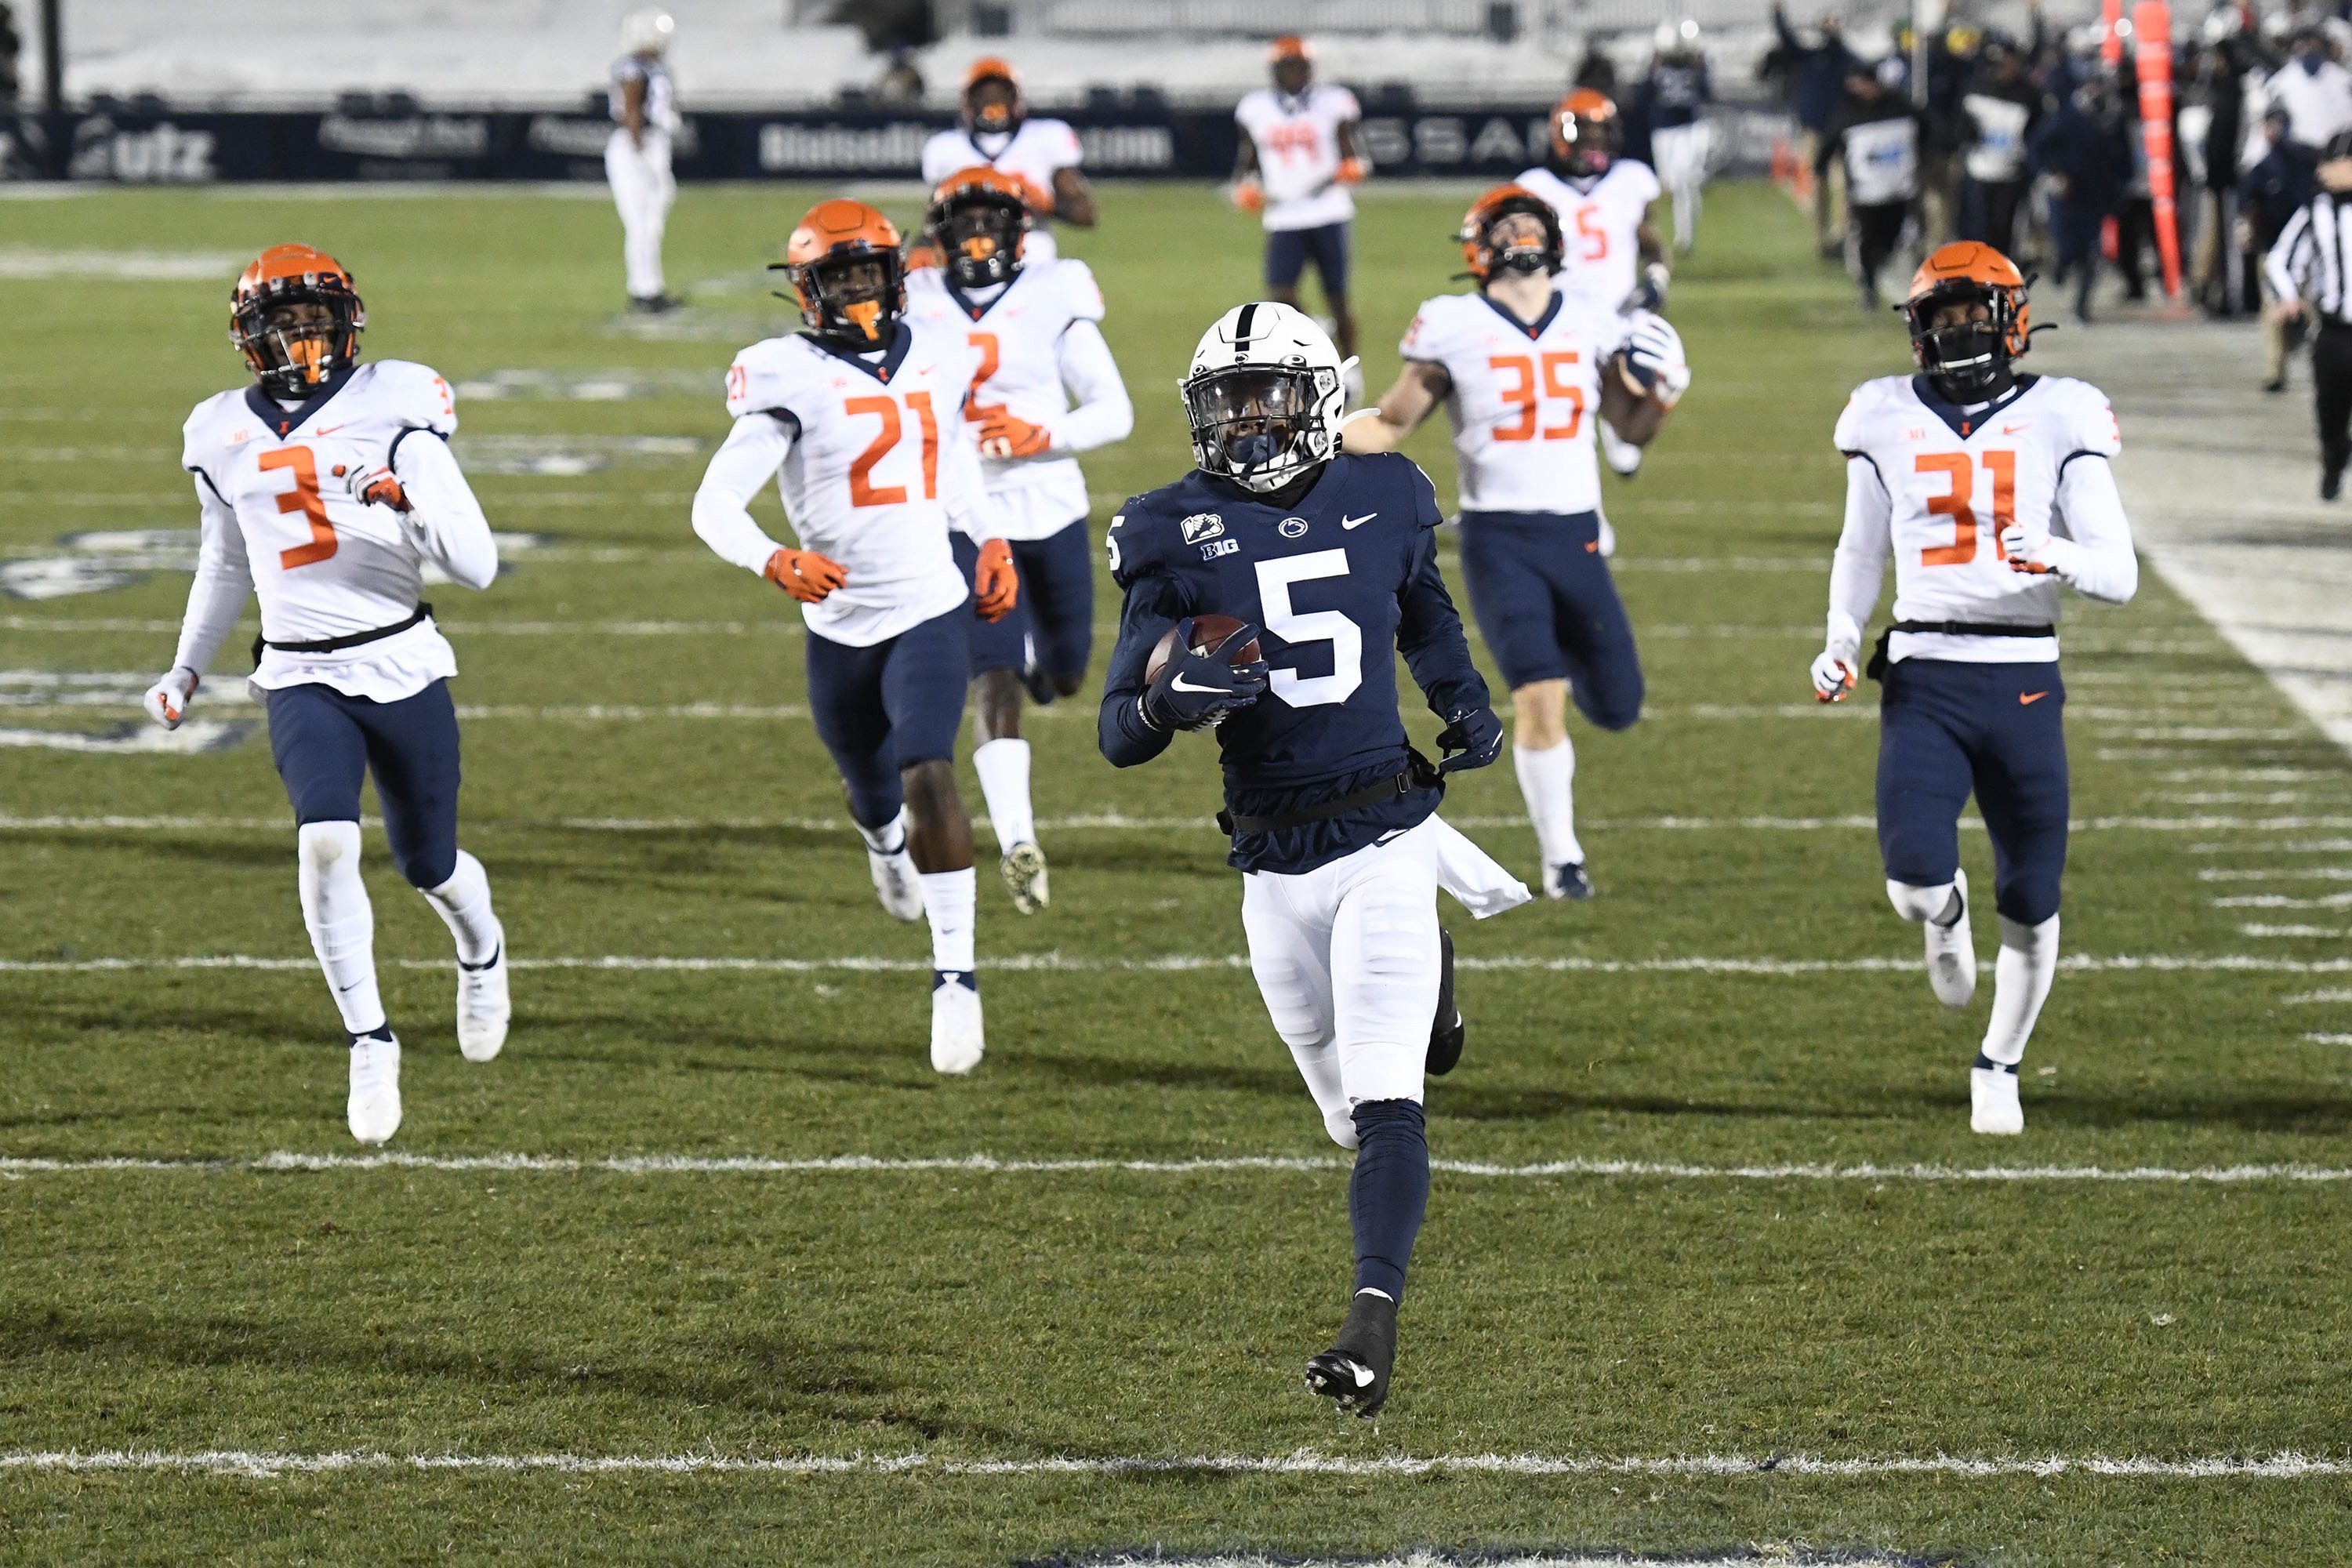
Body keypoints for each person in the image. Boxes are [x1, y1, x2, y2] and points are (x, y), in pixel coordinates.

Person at [1098, 300, 1526, 1417]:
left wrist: (1464, 701)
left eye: (1267, 396)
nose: (1245, 420)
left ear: (1319, 400)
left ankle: (1371, 1327)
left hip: (1385, 830)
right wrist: (1163, 701)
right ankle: (1438, 967)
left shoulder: (1386, 492)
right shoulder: (1167, 528)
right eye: (1226, 400)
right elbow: (1114, 730)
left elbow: (1423, 610)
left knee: (1388, 1108)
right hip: (1272, 865)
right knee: (1342, 1118)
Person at [143, 245, 510, 1146]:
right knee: (325, 842)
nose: (305, 336)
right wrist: (187, 664)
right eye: (287, 322)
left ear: (348, 322)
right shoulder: (217, 429)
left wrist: (403, 502)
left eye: (317, 318)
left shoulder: (398, 403)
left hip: (400, 660)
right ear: (250, 337)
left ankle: (481, 946)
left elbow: (480, 564)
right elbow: (226, 561)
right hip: (300, 669)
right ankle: (369, 1037)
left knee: (430, 862)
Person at [1811, 242, 2137, 1136]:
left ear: (2013, 319)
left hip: (2025, 671)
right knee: (1914, 881)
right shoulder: (1881, 414)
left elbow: (2120, 571)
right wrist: (1842, 637)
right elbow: (1861, 548)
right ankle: (1944, 915)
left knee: (2033, 894)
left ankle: (1999, 1062)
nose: (1959, 332)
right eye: (1942, 316)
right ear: (1918, 329)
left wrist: (2058, 554)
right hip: (1924, 669)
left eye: (1972, 313)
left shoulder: (2061, 413)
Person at [691, 200, 1019, 1073]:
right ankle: (881, 845)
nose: (856, 288)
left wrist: (987, 536)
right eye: (838, 275)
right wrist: (772, 559)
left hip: (927, 601)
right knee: (871, 789)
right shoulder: (782, 374)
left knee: (929, 766)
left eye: (867, 271)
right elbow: (714, 501)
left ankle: (956, 975)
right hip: (838, 618)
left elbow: (948, 457)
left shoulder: (938, 354)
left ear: (894, 275)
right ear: (806, 289)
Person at [1344, 187, 1690, 901]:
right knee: (1538, 698)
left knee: (1619, 704)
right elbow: (1393, 422)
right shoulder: (1453, 323)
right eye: (1508, 225)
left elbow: (1629, 427)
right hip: (1499, 538)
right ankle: (1562, 857)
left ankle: (1565, 833)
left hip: (1578, 534)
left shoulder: (1592, 315)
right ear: (1479, 245)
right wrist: (1317, 434)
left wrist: (1663, 395)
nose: (1523, 233)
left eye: (1534, 223)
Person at [905, 167, 1134, 911]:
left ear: (1019, 230)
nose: (977, 239)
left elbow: (1115, 412)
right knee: (992, 677)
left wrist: (1044, 434)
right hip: (965, 515)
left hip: (1051, 504)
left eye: (990, 222)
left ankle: (1040, 657)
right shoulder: (913, 300)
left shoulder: (1055, 290)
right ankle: (1017, 840)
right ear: (938, 236)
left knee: (1067, 673)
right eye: (961, 224)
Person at [1512, 89, 1670, 477]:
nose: (1593, 144)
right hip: (1560, 316)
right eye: (1585, 134)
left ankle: (1616, 433)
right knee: (1560, 418)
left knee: (1630, 404)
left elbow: (1651, 240)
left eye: (1600, 133)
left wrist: (1657, 277)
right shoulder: (1534, 187)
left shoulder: (1631, 179)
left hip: (1621, 312)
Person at [1232, 35, 1368, 384]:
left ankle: (1351, 370)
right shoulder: (1255, 108)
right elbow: (1249, 156)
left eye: (1300, 65)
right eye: (1287, 65)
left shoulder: (1332, 102)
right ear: (1276, 69)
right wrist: (1245, 185)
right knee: (1280, 294)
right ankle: (1319, 334)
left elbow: (1353, 153)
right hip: (1284, 215)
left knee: (1337, 295)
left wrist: (1353, 167)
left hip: (1328, 210)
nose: (1294, 73)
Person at [920, 57, 1095, 266]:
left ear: (1015, 98)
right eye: (983, 96)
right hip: (970, 265)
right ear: (968, 102)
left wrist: (1048, 204)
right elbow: (934, 221)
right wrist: (921, 249)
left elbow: (1086, 216)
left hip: (1033, 265)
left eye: (1000, 94)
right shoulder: (947, 148)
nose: (993, 102)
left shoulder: (1046, 137)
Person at [2264, 131, 2352, 498]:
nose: (2329, 171)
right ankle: (2334, 458)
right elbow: (2279, 261)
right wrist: (2288, 297)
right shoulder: (2316, 211)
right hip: (2334, 329)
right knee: (2330, 411)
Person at [1818, 59, 1927, 311]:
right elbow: (1831, 139)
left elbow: (1926, 128)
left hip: (1899, 189)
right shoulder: (1846, 110)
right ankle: (1868, 287)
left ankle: (1878, 263)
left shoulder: (1899, 105)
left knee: (1892, 237)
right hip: (1865, 191)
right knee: (1868, 238)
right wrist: (1820, 166)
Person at [2031, 71, 2134, 323]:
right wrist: (2053, 174)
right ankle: (2061, 267)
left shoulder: (2112, 118)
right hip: (2068, 197)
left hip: (2096, 197)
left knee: (2092, 253)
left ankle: (2081, 306)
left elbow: (2122, 156)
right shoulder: (2067, 117)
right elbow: (2037, 146)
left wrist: (2121, 187)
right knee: (2069, 249)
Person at [606, 9, 680, 314]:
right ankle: (643, 291)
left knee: (651, 224)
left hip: (650, 144)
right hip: (637, 147)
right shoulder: (634, 68)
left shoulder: (654, 67)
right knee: (640, 224)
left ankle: (651, 288)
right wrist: (640, 151)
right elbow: (632, 110)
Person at [2245, 103, 2322, 388]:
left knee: (2315, 311)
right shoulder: (2262, 168)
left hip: (2310, 251)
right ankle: (2276, 369)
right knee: (2273, 312)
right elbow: (2249, 207)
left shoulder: (2306, 161)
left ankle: (2319, 368)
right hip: (2272, 246)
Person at [1774, 4, 1859, 258]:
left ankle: (1840, 237)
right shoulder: (1812, 57)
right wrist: (1778, 13)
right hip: (1814, 132)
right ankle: (1822, 238)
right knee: (1817, 185)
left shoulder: (1845, 59)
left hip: (1841, 133)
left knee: (1841, 186)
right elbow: (1788, 40)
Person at [1958, 39, 2045, 256]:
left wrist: (2029, 163)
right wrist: (1968, 135)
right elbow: (1960, 127)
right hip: (1980, 169)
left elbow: (2038, 133)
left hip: (2012, 172)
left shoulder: (2028, 94)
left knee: (2004, 228)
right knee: (1980, 226)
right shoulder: (1976, 87)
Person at [1640, 20, 1715, 256]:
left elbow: (1707, 93)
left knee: (1680, 181)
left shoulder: (1694, 66)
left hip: (1686, 128)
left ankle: (1684, 238)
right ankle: (1693, 193)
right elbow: (1641, 95)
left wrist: (1703, 68)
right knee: (1669, 183)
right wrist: (1651, 70)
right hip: (1663, 130)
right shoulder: (1658, 67)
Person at [2265, 26, 2352, 153]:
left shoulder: (2341, 77)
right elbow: (2273, 114)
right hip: (2301, 153)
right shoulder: (2283, 80)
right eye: (2303, 45)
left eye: (2313, 45)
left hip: (2341, 150)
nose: (2308, 50)